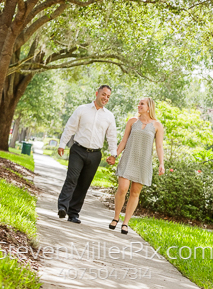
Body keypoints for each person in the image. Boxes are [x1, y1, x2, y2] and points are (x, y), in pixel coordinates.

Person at [57, 85, 117, 224]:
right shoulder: (82, 109)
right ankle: (62, 207)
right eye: (103, 94)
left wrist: (113, 154)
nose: (105, 98)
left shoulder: (109, 116)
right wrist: (62, 144)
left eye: (108, 96)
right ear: (97, 93)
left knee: (84, 184)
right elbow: (70, 127)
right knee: (72, 178)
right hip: (78, 150)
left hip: (95, 154)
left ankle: (73, 213)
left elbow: (112, 137)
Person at [106, 97, 164, 234]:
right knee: (122, 188)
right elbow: (124, 140)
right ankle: (116, 218)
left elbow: (159, 146)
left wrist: (162, 163)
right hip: (128, 158)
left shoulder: (157, 125)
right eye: (139, 103)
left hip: (143, 162)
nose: (139, 106)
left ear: (149, 107)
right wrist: (115, 156)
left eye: (142, 104)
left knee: (135, 192)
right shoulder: (132, 121)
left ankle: (125, 223)